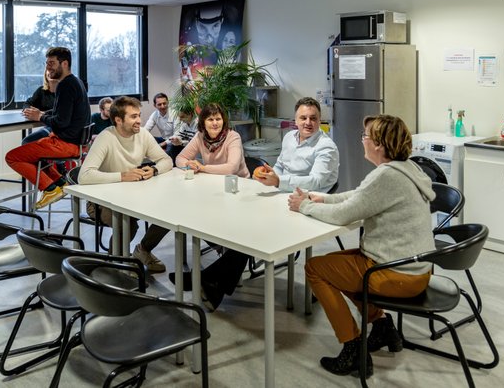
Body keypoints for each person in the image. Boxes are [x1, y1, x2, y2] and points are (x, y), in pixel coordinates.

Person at [288, 114, 435, 378]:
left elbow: (346, 214)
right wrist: (320, 198)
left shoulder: (387, 177)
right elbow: (359, 196)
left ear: (378, 144)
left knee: (316, 269)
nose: (362, 140)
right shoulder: (405, 169)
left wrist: (305, 206)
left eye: (365, 136)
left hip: (397, 274)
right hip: (414, 267)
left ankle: (353, 347)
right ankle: (381, 327)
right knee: (337, 265)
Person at [79, 96, 173, 273]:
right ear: (118, 120)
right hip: (101, 202)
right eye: (133, 117)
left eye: (139, 115)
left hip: (133, 196)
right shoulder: (106, 137)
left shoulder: (143, 134)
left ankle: (142, 250)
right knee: (127, 222)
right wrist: (122, 176)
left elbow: (166, 160)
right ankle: (116, 263)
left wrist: (154, 170)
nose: (139, 121)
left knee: (168, 211)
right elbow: (84, 176)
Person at [173, 103, 249, 311]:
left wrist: (202, 167)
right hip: (212, 191)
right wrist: (190, 165)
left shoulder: (232, 137)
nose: (215, 123)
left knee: (238, 233)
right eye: (210, 119)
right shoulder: (199, 138)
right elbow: (180, 158)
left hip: (240, 190)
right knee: (195, 219)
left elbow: (232, 168)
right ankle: (208, 281)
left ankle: (203, 279)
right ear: (203, 123)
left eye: (218, 118)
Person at [5, 47, 90, 210]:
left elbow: (61, 122)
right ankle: (59, 182)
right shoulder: (75, 82)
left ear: (64, 64)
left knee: (12, 157)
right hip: (75, 143)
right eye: (46, 63)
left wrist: (40, 117)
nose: (48, 67)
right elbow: (64, 114)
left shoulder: (65, 86)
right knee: (30, 151)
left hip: (65, 144)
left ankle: (50, 189)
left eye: (52, 63)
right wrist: (44, 114)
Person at [254, 97, 339, 193]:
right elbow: (280, 166)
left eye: (313, 118)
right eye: (303, 118)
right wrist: (269, 176)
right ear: (296, 121)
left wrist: (279, 181)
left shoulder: (326, 147)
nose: (308, 122)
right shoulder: (289, 137)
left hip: (311, 197)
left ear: (319, 121)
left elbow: (316, 181)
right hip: (284, 190)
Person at [21, 70, 58, 145]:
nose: (50, 72)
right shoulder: (41, 91)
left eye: (53, 71)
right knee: (26, 141)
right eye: (48, 70)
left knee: (26, 142)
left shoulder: (64, 92)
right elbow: (28, 103)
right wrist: (28, 110)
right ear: (45, 74)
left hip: (57, 128)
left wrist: (42, 113)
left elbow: (60, 111)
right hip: (47, 125)